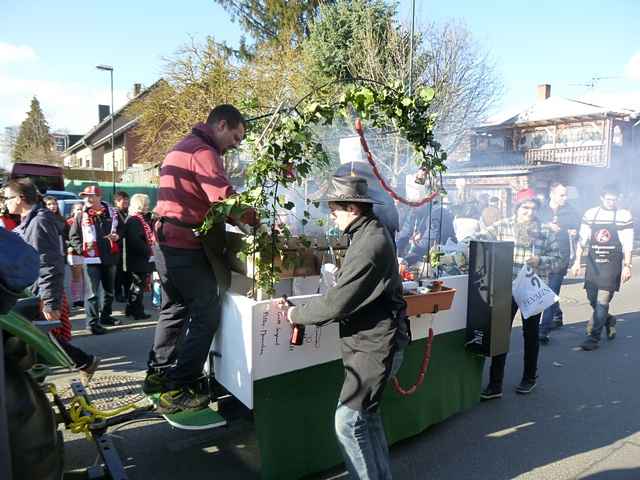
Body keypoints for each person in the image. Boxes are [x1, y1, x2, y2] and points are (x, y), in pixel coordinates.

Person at [282, 176, 408, 480]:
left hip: (377, 344)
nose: (331, 215)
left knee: (348, 422)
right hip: (373, 341)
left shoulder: (370, 241)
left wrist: (296, 314)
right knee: (367, 418)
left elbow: (337, 304)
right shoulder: (368, 233)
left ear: (352, 208)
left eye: (335, 209)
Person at [144, 104, 256, 413]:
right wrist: (253, 218)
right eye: (236, 136)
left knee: (174, 308)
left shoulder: (181, 146)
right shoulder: (204, 153)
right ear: (221, 125)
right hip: (185, 245)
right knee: (207, 312)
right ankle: (181, 386)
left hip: (166, 243)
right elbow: (223, 199)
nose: (237, 143)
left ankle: (159, 375)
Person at [4, 179, 100, 383]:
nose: (5, 203)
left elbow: (48, 263)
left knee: (42, 339)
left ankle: (84, 362)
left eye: (7, 198)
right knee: (38, 338)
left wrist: (50, 301)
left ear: (20, 198)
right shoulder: (30, 220)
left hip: (40, 292)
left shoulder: (39, 222)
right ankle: (83, 362)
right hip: (34, 290)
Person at [478, 189, 561, 399]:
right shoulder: (503, 225)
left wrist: (540, 260)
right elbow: (478, 239)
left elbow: (559, 259)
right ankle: (495, 384)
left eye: (533, 208)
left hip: (532, 290)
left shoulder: (545, 231)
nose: (529, 212)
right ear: (517, 208)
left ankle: (529, 378)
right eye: (525, 207)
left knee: (530, 335)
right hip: (506, 288)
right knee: (500, 335)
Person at [571, 184, 633, 351]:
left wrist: (627, 265)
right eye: (608, 199)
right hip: (593, 263)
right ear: (602, 198)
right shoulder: (591, 214)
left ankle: (593, 338)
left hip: (612, 264)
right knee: (592, 299)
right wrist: (577, 262)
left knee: (602, 301)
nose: (611, 202)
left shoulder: (623, 215)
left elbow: (628, 243)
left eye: (614, 199)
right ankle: (609, 319)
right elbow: (582, 239)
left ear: (618, 198)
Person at [68, 185, 123, 335]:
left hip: (110, 257)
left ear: (99, 197)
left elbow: (122, 230)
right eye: (85, 196)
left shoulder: (113, 213)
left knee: (109, 291)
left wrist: (117, 236)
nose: (88, 199)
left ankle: (106, 316)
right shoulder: (81, 215)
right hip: (91, 260)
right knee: (92, 293)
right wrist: (83, 251)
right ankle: (92, 324)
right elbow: (73, 236)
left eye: (91, 196)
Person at [537, 183, 580, 343]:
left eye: (566, 195)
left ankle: (543, 330)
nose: (565, 198)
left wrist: (574, 232)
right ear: (551, 194)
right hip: (541, 258)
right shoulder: (540, 210)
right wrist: (547, 226)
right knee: (545, 291)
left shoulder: (571, 211)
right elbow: (530, 228)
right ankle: (558, 313)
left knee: (549, 293)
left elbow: (579, 231)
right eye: (562, 195)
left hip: (560, 259)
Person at [396, 198, 457, 265]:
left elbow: (427, 243)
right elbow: (406, 231)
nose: (411, 207)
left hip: (444, 257)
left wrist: (407, 260)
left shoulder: (437, 213)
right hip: (425, 254)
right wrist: (396, 250)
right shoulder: (415, 210)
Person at [123, 193, 153, 320]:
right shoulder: (134, 220)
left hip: (139, 258)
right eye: (145, 204)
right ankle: (137, 311)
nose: (147, 207)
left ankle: (131, 308)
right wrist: (149, 251)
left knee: (136, 285)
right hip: (137, 258)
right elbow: (136, 241)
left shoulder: (138, 218)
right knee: (138, 286)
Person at [65, 203, 85, 308]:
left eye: (82, 209)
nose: (80, 211)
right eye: (78, 209)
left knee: (87, 278)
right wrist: (69, 245)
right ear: (73, 211)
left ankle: (86, 298)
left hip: (87, 253)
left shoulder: (87, 221)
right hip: (74, 253)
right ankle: (77, 300)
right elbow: (66, 237)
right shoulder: (69, 222)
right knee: (76, 278)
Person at [113, 191, 131, 303]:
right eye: (121, 200)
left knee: (129, 271)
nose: (124, 201)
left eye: (126, 199)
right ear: (116, 202)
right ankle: (118, 293)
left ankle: (128, 292)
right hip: (118, 247)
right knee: (119, 272)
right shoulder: (114, 213)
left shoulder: (130, 213)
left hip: (129, 247)